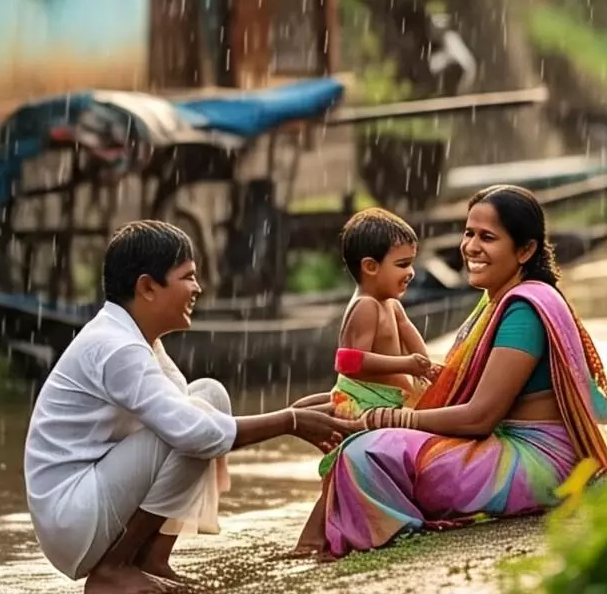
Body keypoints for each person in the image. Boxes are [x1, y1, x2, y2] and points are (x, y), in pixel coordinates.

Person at [24, 220, 358, 594]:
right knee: (190, 429)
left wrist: (296, 413)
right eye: (188, 277)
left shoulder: (136, 339)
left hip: (89, 503)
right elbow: (193, 433)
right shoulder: (118, 347)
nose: (198, 288)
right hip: (72, 518)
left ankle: (151, 560)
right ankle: (113, 570)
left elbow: (195, 414)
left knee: (210, 396)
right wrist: (290, 421)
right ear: (147, 287)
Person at [301, 185, 607, 558]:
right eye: (468, 233)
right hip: (508, 445)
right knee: (367, 444)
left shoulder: (524, 311)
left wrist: (380, 418)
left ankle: (391, 532)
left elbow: (479, 418)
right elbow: (455, 395)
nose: (470, 247)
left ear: (525, 250)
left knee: (366, 455)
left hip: (540, 463)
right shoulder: (499, 302)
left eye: (487, 237)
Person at [293, 208, 441, 421]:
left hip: (391, 400)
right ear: (370, 267)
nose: (411, 272)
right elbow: (349, 362)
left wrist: (427, 367)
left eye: (411, 263)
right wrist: (406, 364)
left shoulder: (392, 305)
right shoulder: (366, 306)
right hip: (364, 405)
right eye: (402, 264)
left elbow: (411, 337)